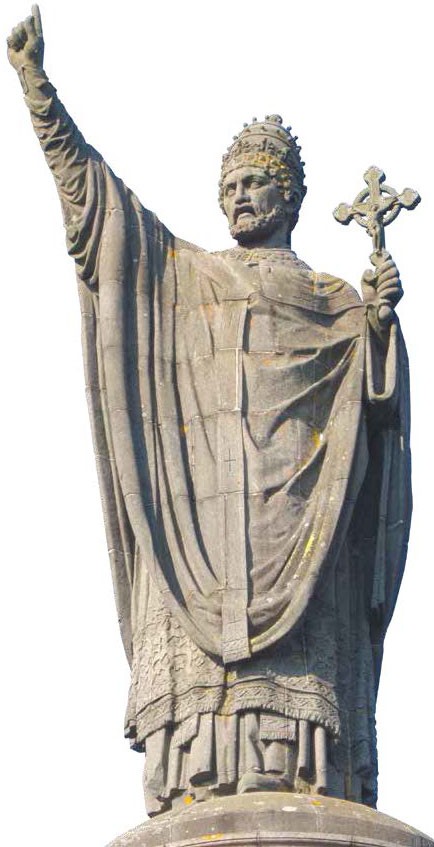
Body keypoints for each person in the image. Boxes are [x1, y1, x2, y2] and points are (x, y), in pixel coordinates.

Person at [8, 6, 411, 815]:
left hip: (305, 522)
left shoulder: (333, 301)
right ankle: (203, 766)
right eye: (229, 187)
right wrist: (38, 92)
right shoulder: (185, 280)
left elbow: (376, 424)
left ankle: (302, 767)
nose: (239, 197)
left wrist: (377, 328)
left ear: (289, 195)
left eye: (254, 183)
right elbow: (101, 212)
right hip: (197, 537)